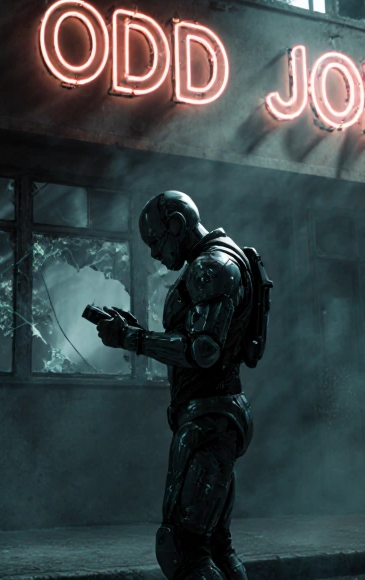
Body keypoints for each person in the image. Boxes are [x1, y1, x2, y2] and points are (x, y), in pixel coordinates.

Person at [95, 191, 259, 580]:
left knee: (185, 548)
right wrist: (135, 333)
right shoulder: (218, 261)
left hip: (209, 418)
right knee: (213, 544)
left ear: (176, 225)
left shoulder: (211, 266)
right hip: (211, 416)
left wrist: (131, 339)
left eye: (156, 241)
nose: (154, 253)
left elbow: (202, 349)